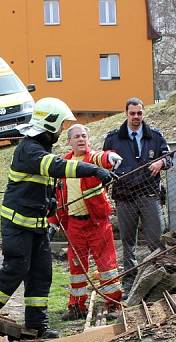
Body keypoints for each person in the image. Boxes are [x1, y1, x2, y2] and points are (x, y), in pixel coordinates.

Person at [0, 97, 115, 338]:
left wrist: (50, 203)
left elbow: (44, 184)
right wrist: (94, 170)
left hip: (35, 226)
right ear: (50, 125)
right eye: (60, 126)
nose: (61, 131)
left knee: (41, 274)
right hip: (17, 225)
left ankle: (37, 325)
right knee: (16, 269)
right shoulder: (29, 149)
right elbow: (58, 168)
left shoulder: (40, 148)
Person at [48, 124, 123, 320]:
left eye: (84, 136)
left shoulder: (93, 159)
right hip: (75, 224)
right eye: (77, 137)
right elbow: (58, 197)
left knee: (107, 265)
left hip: (97, 223)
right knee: (76, 268)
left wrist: (111, 157)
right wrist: (53, 221)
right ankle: (76, 307)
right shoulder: (63, 164)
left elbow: (104, 157)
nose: (81, 139)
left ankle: (114, 304)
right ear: (69, 141)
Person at [102, 97, 172, 294]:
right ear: (126, 113)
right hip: (124, 197)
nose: (136, 117)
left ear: (143, 113)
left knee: (155, 238)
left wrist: (161, 163)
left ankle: (160, 278)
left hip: (150, 195)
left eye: (139, 113)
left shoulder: (155, 136)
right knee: (128, 241)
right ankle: (130, 281)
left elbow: (169, 157)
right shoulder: (113, 138)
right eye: (132, 113)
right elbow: (104, 163)